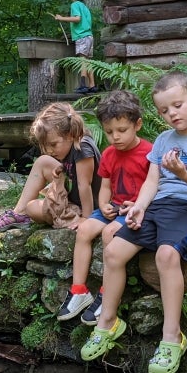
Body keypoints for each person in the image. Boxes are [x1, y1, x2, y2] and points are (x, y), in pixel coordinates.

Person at [79, 71, 187, 373]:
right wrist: (140, 207)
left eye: (177, 105)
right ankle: (108, 322)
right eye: (164, 110)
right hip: (158, 206)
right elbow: (152, 181)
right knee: (114, 252)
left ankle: (172, 336)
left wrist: (184, 174)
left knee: (165, 255)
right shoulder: (162, 140)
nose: (171, 114)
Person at [58, 90, 153, 325]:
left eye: (122, 131)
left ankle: (106, 294)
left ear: (137, 124)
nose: (115, 137)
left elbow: (155, 186)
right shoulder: (110, 154)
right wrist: (102, 205)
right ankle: (79, 290)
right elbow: (106, 186)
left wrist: (136, 205)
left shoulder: (150, 152)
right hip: (112, 206)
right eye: (109, 132)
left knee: (109, 232)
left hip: (134, 209)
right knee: (84, 230)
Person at [0, 102, 101, 233]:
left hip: (90, 208)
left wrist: (86, 218)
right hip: (75, 199)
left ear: (69, 135)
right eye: (45, 145)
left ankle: (77, 217)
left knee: (33, 209)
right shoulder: (68, 144)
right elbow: (72, 172)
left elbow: (84, 185)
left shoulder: (82, 147)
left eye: (53, 144)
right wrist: (61, 170)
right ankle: (19, 214)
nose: (49, 150)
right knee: (42, 162)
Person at [54, 0, 96, 94]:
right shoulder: (85, 7)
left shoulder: (75, 5)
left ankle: (83, 85)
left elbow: (77, 19)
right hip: (89, 36)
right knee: (88, 61)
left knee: (82, 61)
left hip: (82, 37)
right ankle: (92, 85)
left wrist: (61, 18)